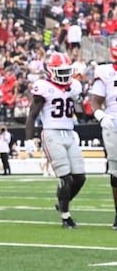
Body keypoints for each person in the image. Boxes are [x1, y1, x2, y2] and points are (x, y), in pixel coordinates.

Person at [25, 51, 85, 228]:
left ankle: (61, 203)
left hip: (69, 132)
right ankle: (66, 217)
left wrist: (79, 100)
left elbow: (81, 113)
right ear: (51, 70)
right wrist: (29, 140)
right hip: (51, 133)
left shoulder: (74, 85)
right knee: (65, 178)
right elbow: (32, 114)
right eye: (61, 71)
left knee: (80, 177)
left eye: (67, 70)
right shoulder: (43, 86)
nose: (65, 75)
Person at [87, 37, 117, 229]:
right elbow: (95, 100)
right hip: (114, 124)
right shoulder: (106, 72)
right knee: (116, 173)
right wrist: (100, 116)